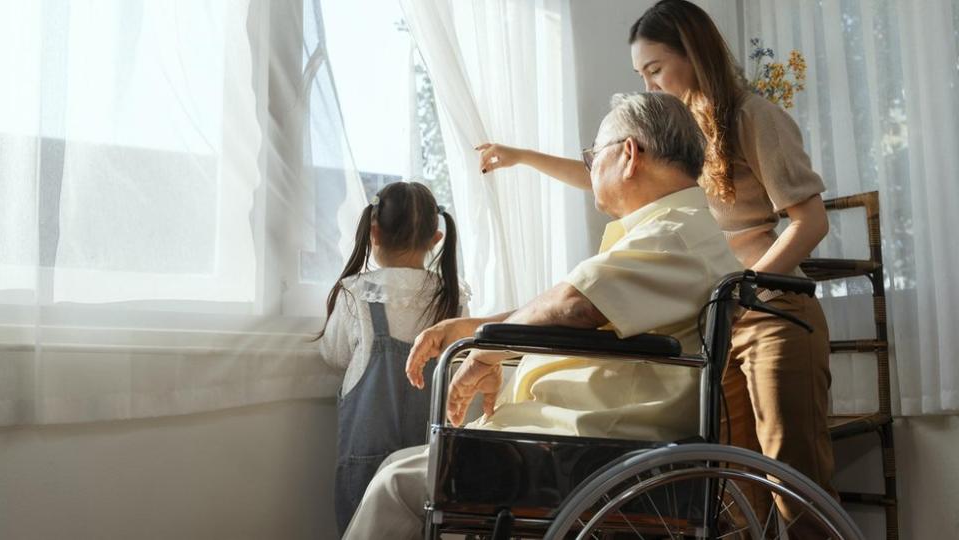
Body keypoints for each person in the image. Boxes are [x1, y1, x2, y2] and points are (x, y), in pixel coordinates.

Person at [474, 0, 835, 533]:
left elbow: (810, 221)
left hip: (769, 311)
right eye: (641, 75)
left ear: (694, 54)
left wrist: (744, 291)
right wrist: (522, 156)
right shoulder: (681, 137)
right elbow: (606, 170)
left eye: (655, 70)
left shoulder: (754, 117)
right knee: (731, 482)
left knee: (788, 474)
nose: (649, 85)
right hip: (715, 317)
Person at [342, 92, 743, 539]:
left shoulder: (672, 235)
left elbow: (573, 306)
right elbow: (576, 306)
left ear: (628, 155)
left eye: (593, 156)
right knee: (400, 465)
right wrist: (474, 330)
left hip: (593, 445)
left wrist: (487, 351)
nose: (590, 169)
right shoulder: (674, 231)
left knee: (394, 485)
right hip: (590, 434)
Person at [314, 181, 469, 535]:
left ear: (374, 232)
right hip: (427, 467)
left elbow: (335, 354)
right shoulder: (453, 302)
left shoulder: (357, 294)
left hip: (365, 465)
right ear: (436, 239)